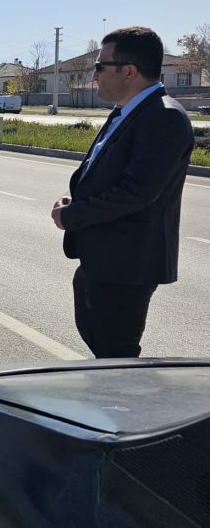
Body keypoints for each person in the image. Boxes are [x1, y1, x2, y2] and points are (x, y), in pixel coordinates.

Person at [51, 26, 193, 358]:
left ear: (129, 71)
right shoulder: (127, 111)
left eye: (100, 66)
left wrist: (70, 215)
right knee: (102, 346)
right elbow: (112, 177)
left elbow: (136, 192)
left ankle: (123, 409)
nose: (94, 75)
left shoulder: (164, 116)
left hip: (128, 263)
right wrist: (79, 202)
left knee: (117, 358)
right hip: (102, 256)